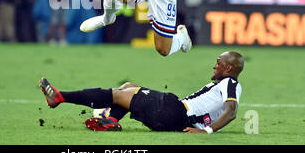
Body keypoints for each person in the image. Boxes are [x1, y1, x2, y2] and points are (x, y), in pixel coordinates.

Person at [40, 51, 244, 133]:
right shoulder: (226, 84)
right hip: (174, 112)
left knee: (118, 94)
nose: (213, 66)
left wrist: (205, 131)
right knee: (129, 86)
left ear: (228, 69)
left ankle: (60, 97)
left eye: (218, 63)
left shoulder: (230, 83)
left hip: (174, 113)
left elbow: (231, 112)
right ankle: (110, 120)